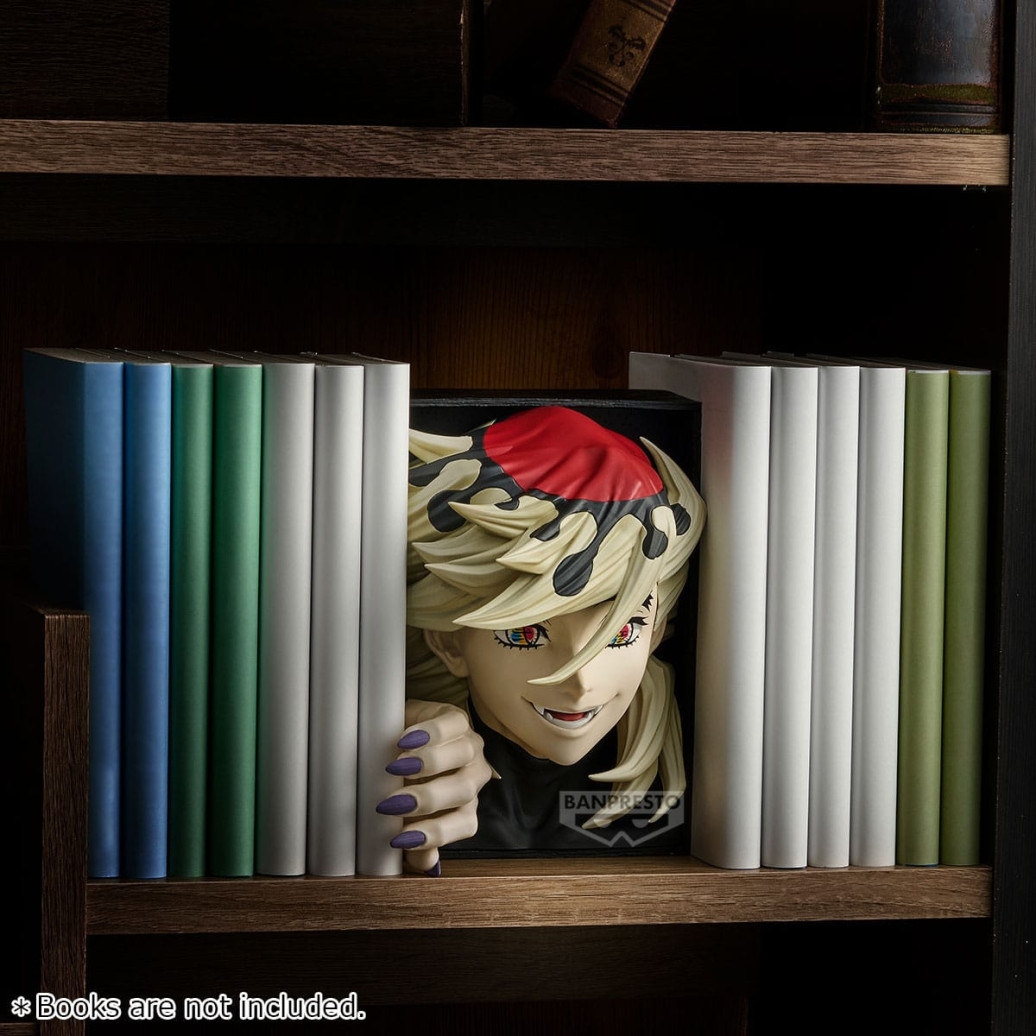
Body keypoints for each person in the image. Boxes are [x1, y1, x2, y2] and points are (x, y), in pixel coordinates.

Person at [375, 406, 705, 875]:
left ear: (655, 631)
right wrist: (368, 741)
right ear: (447, 643)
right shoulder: (412, 749)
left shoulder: (706, 770)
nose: (580, 681)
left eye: (622, 630)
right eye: (525, 632)